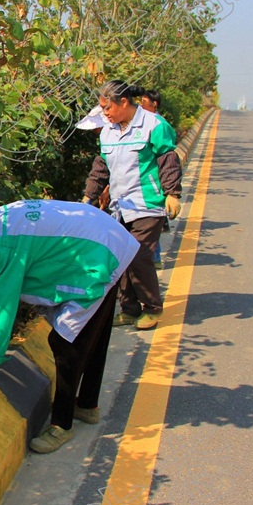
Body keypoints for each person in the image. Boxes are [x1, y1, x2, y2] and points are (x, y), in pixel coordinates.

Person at [0, 200, 140, 454]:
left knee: (65, 344)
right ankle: (86, 405)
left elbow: (0, 311)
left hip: (99, 251)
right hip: (103, 237)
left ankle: (62, 425)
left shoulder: (1, 246)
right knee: (93, 333)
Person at [83, 80, 182, 330]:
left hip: (147, 204)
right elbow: (101, 169)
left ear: (123, 102)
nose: (104, 114)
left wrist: (173, 193)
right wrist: (88, 198)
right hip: (120, 207)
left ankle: (152, 308)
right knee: (120, 259)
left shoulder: (154, 125)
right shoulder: (108, 132)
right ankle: (129, 309)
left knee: (138, 256)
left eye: (107, 108)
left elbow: (167, 159)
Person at [138, 89, 170, 269]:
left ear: (154, 104)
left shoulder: (158, 124)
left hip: (151, 185)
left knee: (151, 221)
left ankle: (154, 258)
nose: (141, 104)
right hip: (144, 185)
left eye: (144, 101)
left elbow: (165, 156)